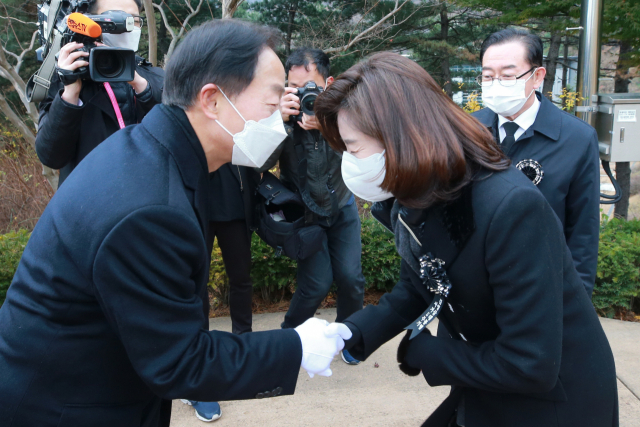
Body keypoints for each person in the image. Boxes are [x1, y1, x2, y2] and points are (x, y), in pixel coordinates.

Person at [0, 20, 351, 427]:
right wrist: (295, 347)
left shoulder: (151, 151)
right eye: (273, 106)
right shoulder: (151, 207)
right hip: (64, 409)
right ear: (212, 101)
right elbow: (178, 362)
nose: (278, 121)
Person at [314, 52, 618, 426]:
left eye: (354, 148)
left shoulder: (509, 207)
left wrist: (427, 353)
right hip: (489, 380)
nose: (350, 161)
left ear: (399, 137)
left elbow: (530, 363)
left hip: (553, 402)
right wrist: (351, 333)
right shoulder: (426, 191)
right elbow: (422, 282)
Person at [257, 48, 366, 365]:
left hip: (342, 206)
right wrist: (279, 122)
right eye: (293, 87)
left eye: (310, 87)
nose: (302, 94)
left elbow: (365, 155)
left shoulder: (345, 112)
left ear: (329, 83)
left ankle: (349, 336)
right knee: (316, 283)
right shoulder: (280, 117)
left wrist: (329, 128)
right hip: (305, 213)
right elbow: (260, 165)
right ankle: (288, 337)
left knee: (351, 278)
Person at [472, 28, 600, 297]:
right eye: (487, 76)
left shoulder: (576, 138)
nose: (496, 84)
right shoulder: (467, 130)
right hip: (474, 288)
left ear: (537, 76)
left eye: (507, 76)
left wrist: (577, 301)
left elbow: (583, 232)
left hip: (539, 290)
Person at [35, 0, 164, 188]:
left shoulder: (154, 77)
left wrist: (141, 86)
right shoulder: (68, 82)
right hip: (91, 204)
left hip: (150, 197)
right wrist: (70, 93)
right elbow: (51, 156)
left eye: (134, 20)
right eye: (115, 19)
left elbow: (180, 133)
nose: (127, 26)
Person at [180, 164, 260, 422]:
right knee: (195, 285)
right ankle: (198, 364)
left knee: (241, 279)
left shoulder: (238, 123)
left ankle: (244, 346)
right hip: (196, 207)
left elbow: (254, 160)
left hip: (234, 205)